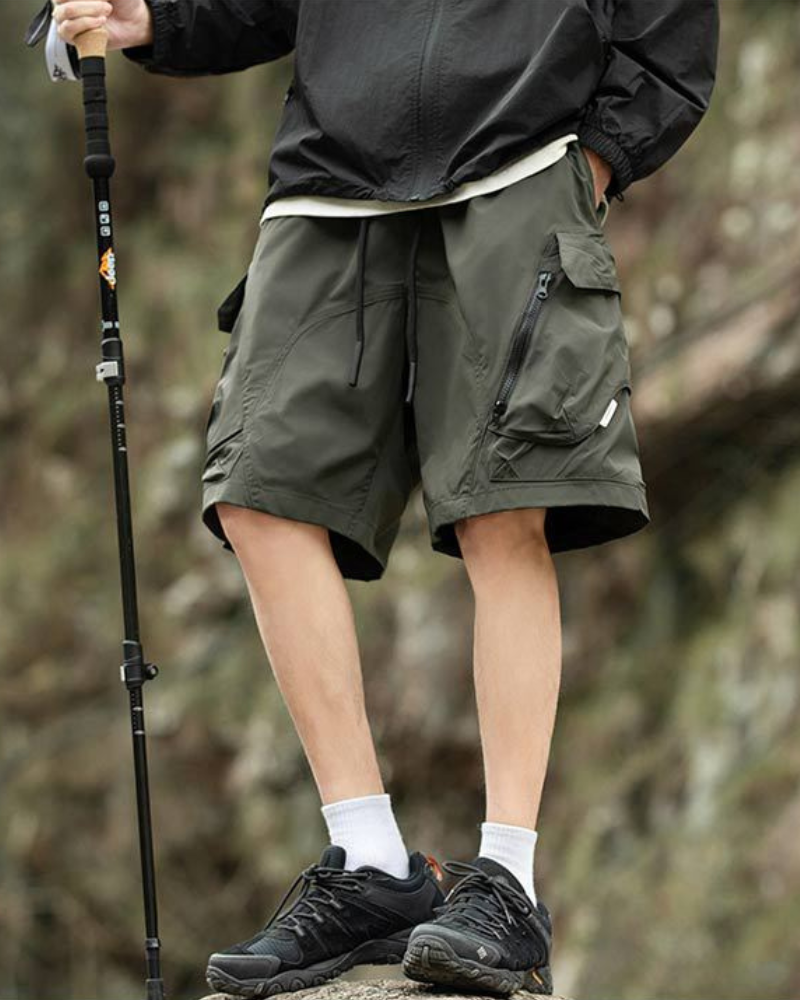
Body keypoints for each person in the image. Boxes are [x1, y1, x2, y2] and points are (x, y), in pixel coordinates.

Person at [55, 1, 719, 996]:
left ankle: (506, 878)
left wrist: (598, 157)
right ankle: (369, 861)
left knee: (503, 508)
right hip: (327, 180)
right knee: (259, 491)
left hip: (521, 157)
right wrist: (154, 16)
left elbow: (670, 25)